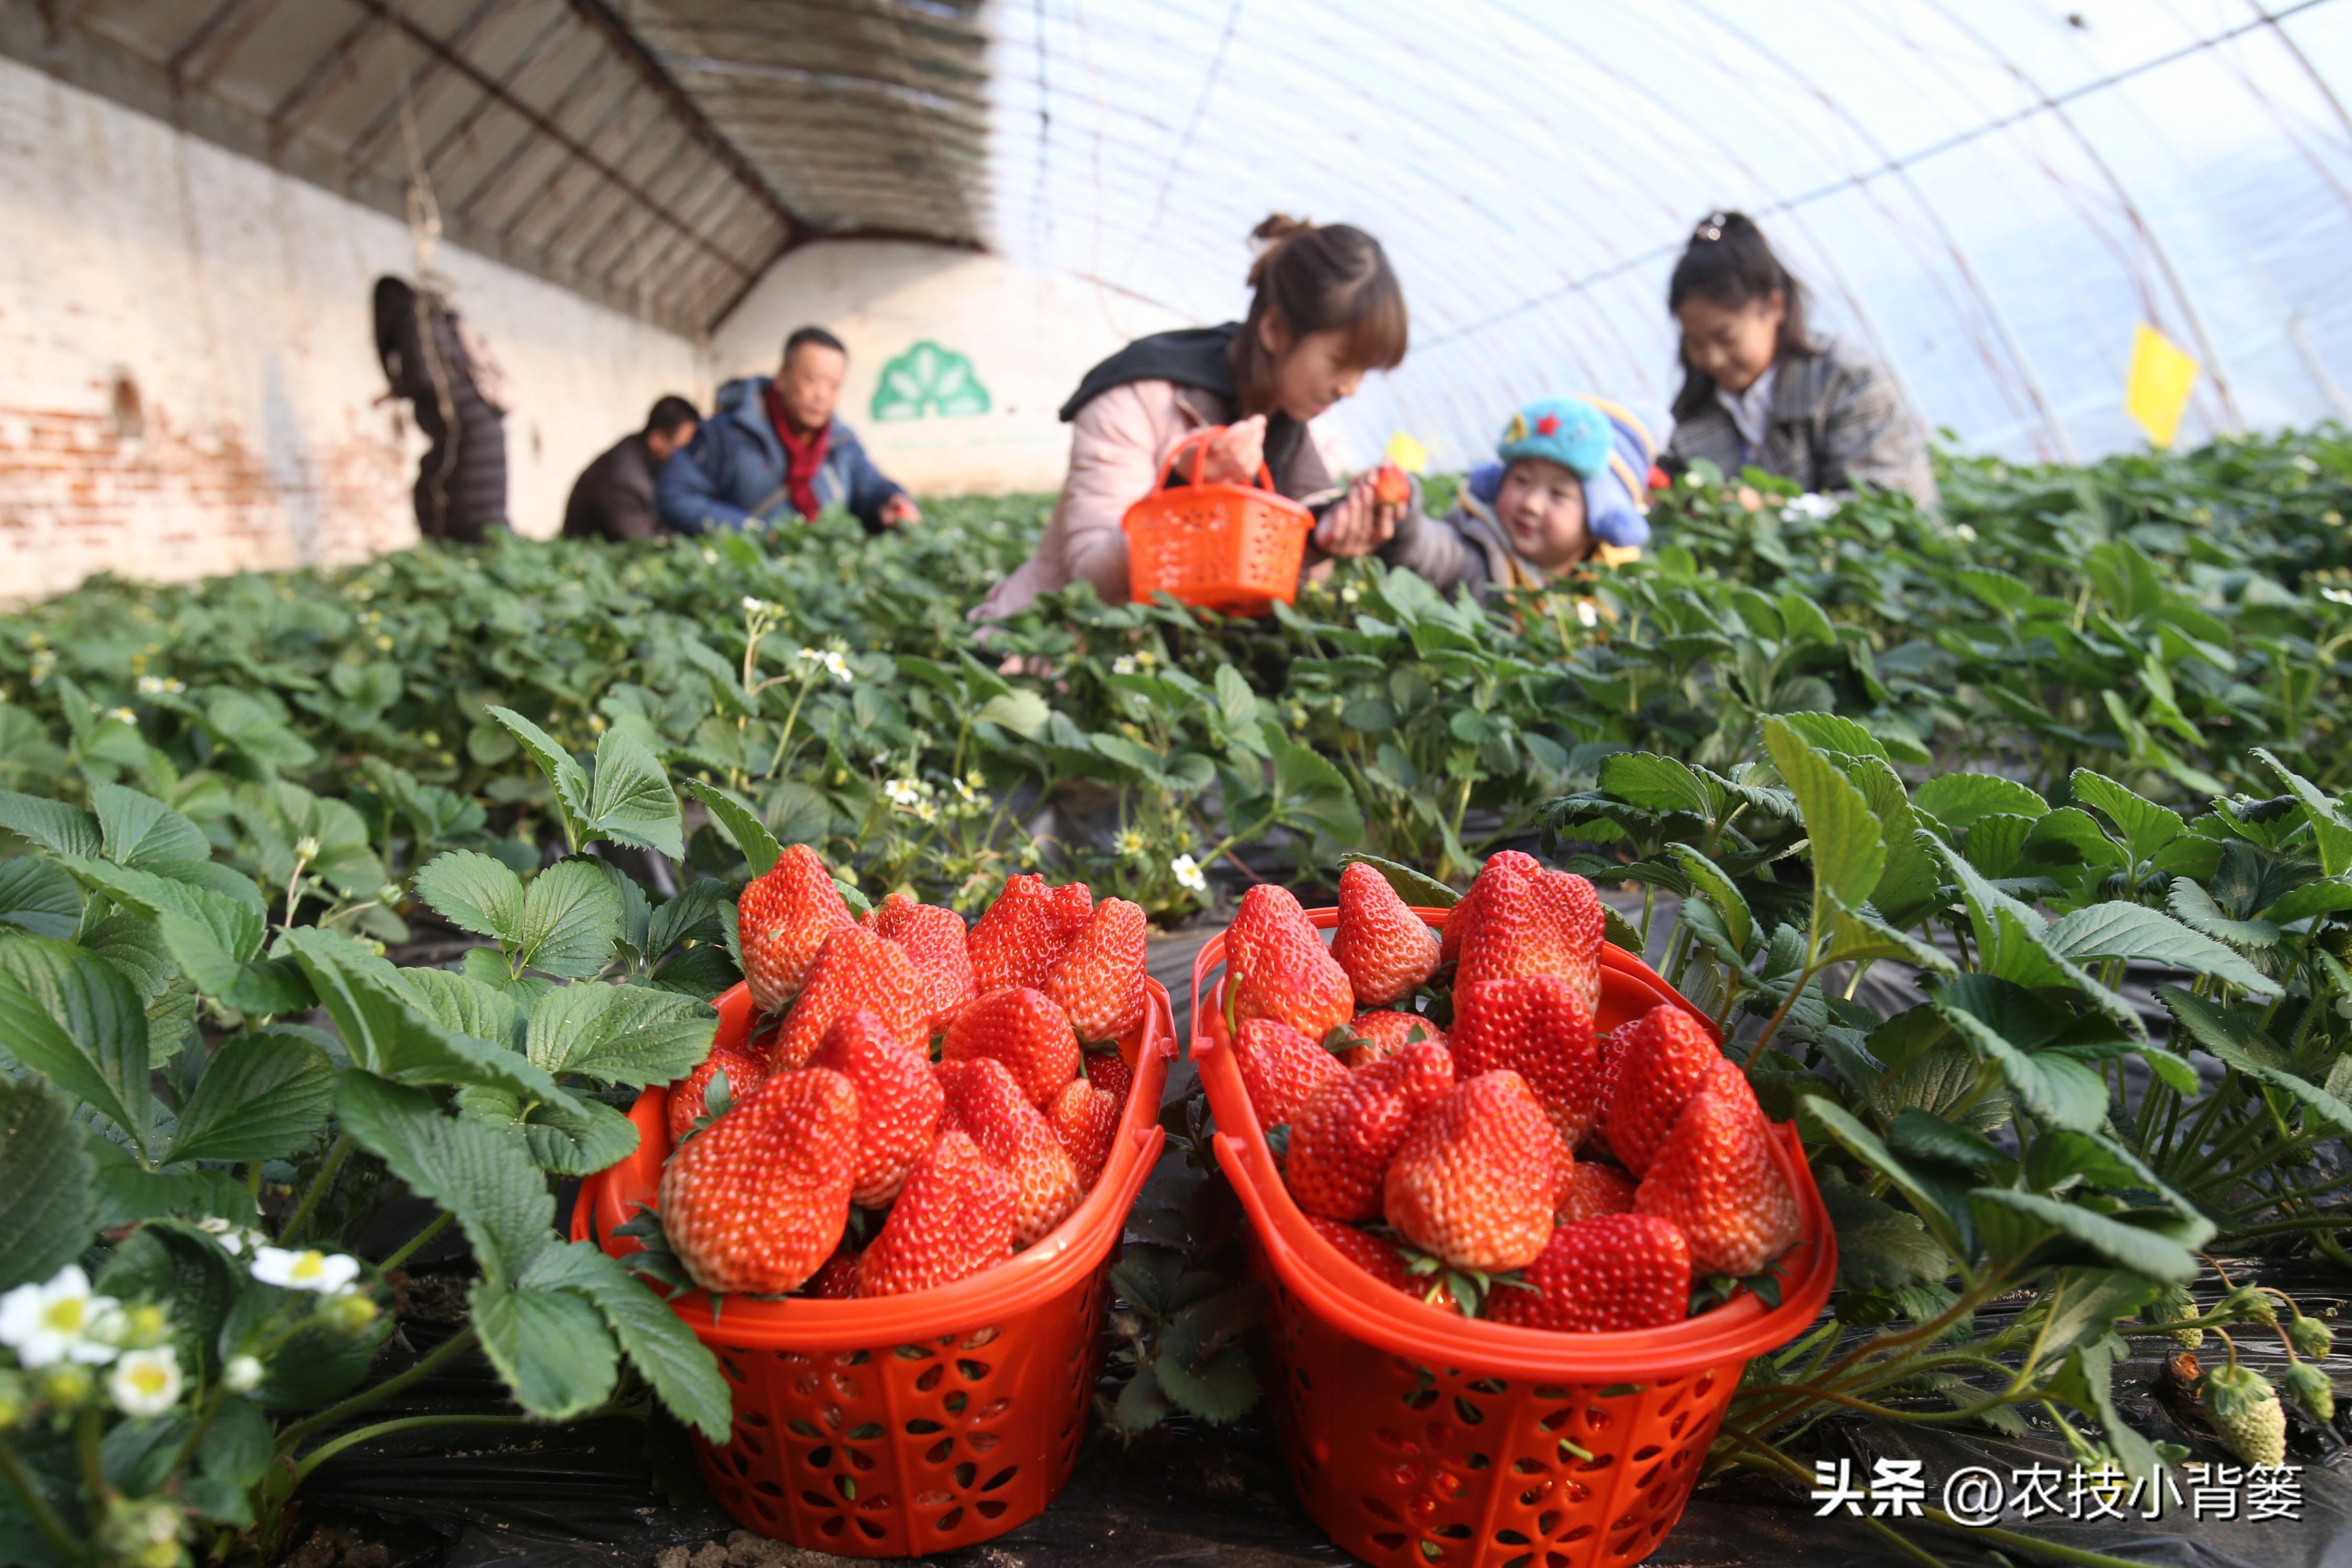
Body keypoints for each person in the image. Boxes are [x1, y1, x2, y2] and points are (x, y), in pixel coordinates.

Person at [974, 215, 1409, 622]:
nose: (1350, 388)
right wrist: (1187, 492)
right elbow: (1091, 583)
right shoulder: (1138, 396)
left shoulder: (1294, 432)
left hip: (1175, 667)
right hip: (1054, 647)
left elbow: (1272, 597)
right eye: (1339, 362)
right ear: (1275, 330)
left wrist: (1320, 544)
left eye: (1364, 371)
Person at [1663, 212, 1938, 510]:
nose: (1713, 358)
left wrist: (1766, 508)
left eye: (1726, 337)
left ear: (1775, 306)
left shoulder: (1845, 380)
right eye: (1696, 342)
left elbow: (1889, 505)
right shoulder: (1692, 416)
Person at [655, 326, 918, 535]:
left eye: (834, 385)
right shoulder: (727, 435)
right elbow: (675, 495)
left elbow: (871, 488)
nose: (821, 396)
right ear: (782, 378)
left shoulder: (841, 444)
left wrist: (890, 502)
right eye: (812, 380)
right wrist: (753, 532)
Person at [1380, 396, 1656, 595]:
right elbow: (1427, 549)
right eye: (1521, 480)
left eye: (1558, 494)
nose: (1532, 504)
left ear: (1602, 521)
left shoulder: (1611, 596)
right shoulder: (1475, 554)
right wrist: (1400, 513)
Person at [373, 274, 510, 544]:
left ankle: (449, 556)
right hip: (485, 421)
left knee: (440, 498)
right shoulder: (445, 322)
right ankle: (492, 553)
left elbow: (423, 377)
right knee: (483, 502)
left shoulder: (413, 320)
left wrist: (393, 393)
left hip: (462, 426)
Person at [562, 396, 700, 541]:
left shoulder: (640, 450)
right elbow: (646, 542)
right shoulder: (624, 480)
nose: (687, 457)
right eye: (681, 448)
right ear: (656, 440)